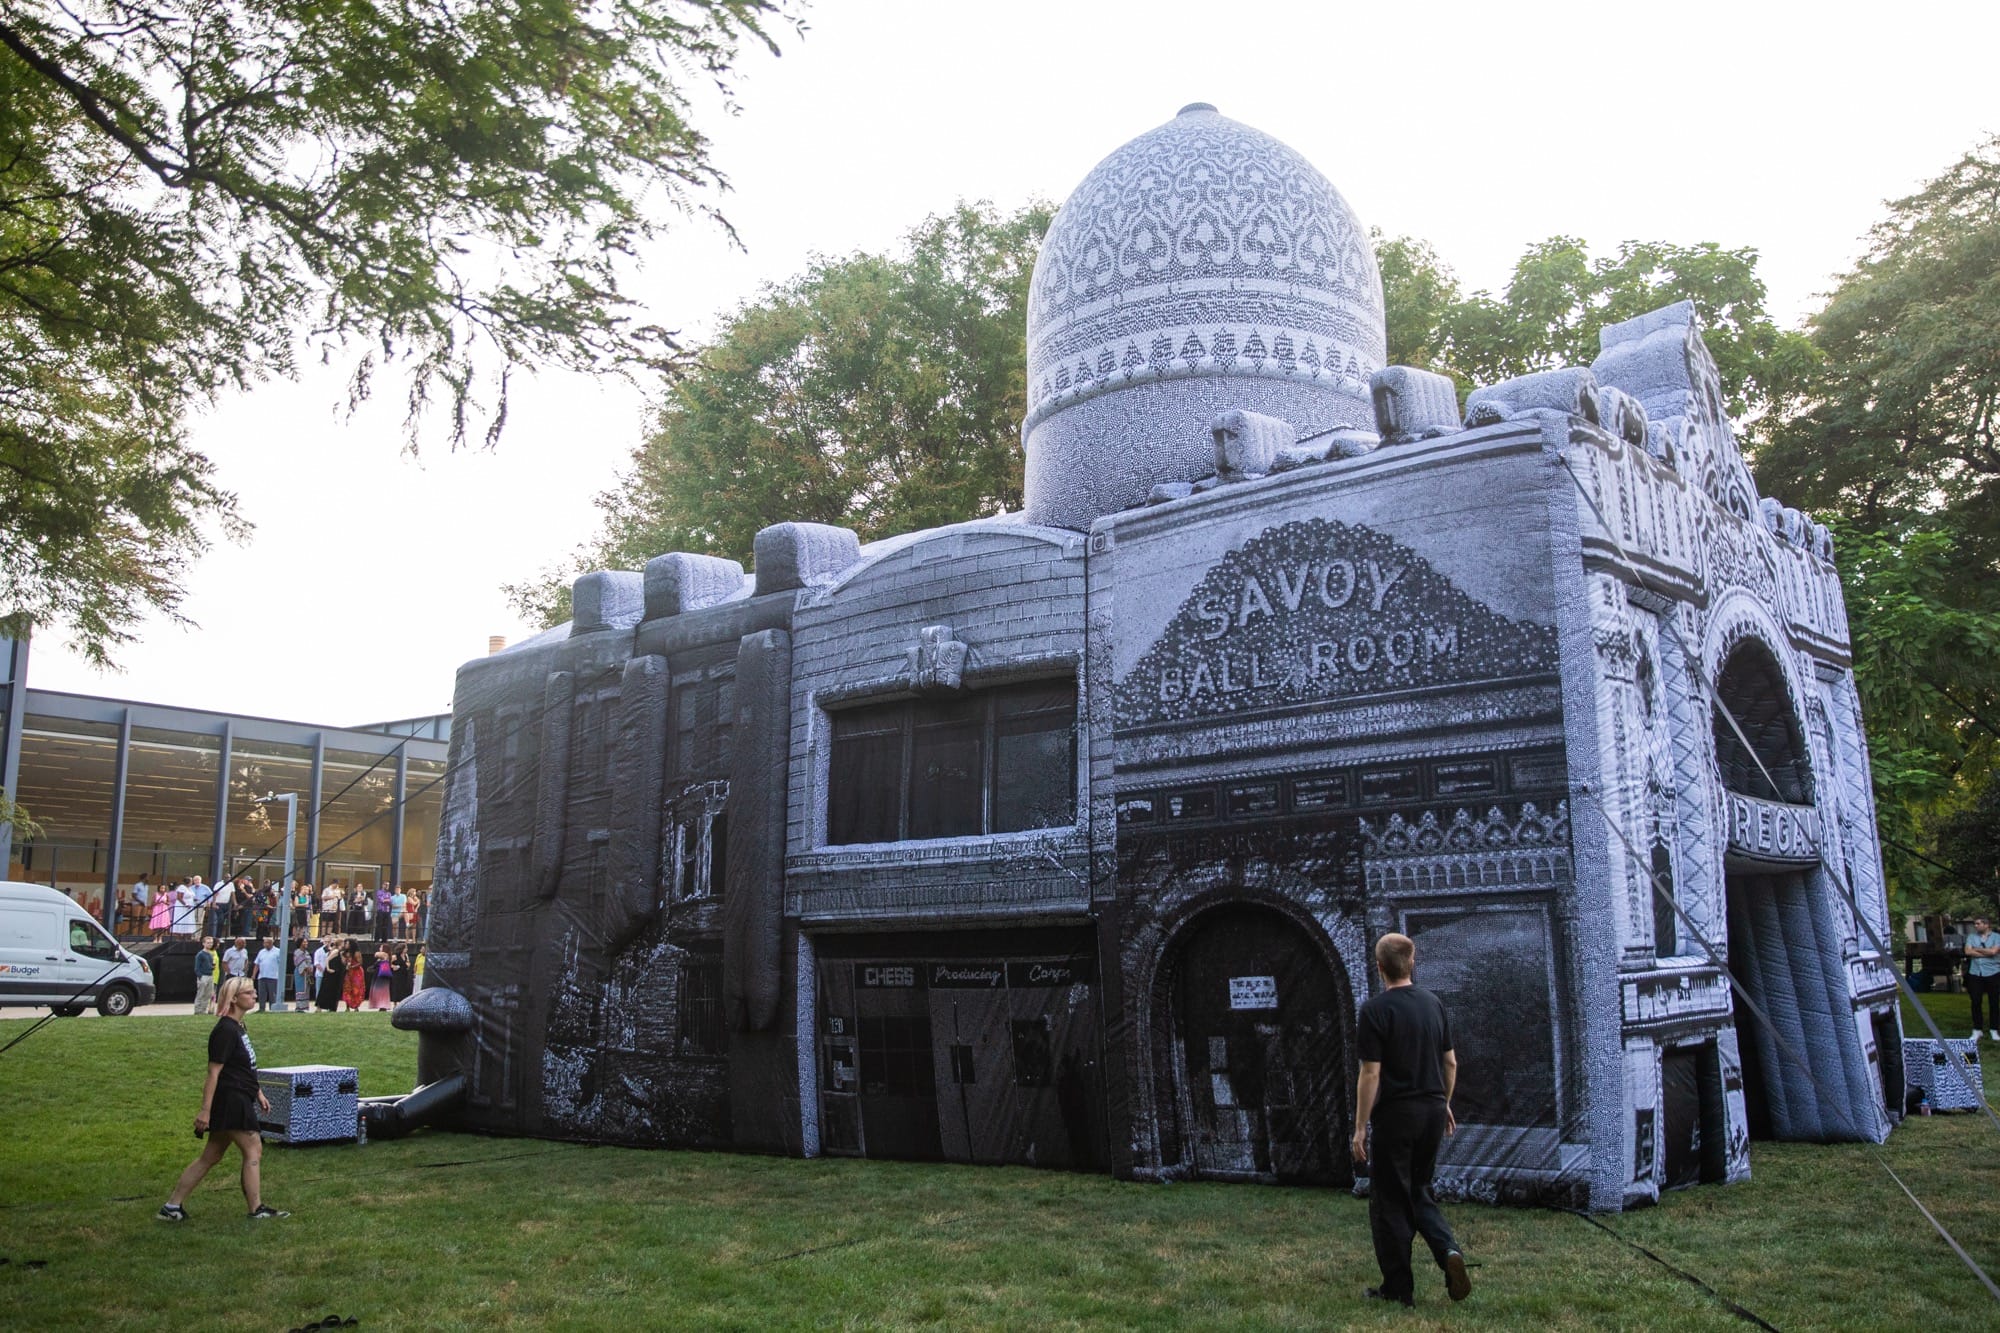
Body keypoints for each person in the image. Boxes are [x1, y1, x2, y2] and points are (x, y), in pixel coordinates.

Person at [1351, 932, 1470, 1308]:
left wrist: (1359, 1128)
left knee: (1389, 1200)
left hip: (1396, 1116)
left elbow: (1371, 1074)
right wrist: (1442, 1102)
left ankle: (1398, 1288)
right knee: (1419, 1190)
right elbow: (1450, 1063)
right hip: (1433, 1110)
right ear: (1412, 962)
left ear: (1379, 966)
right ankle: (1448, 1250)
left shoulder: (1374, 1011)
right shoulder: (1433, 1004)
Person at [156, 977, 288, 1222]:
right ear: (234, 998)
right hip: (231, 1099)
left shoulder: (239, 1027)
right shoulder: (225, 1030)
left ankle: (171, 1206)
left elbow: (244, 1066)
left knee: (211, 1156)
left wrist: (258, 1092)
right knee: (253, 1149)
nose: (255, 996)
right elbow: (214, 1073)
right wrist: (205, 1111)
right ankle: (256, 1208)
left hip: (241, 1094)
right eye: (249, 993)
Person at [1966, 916, 1999, 1041]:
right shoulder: (1971, 937)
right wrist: (1987, 951)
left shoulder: (1997, 937)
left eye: (1978, 923)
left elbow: (1993, 952)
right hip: (1975, 973)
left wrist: (1977, 949)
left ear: (1986, 925)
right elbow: (1968, 952)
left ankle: (1994, 1029)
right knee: (1975, 1001)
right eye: (1975, 924)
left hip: (1993, 973)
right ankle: (1977, 1029)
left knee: (1994, 1002)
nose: (1975, 926)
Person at [252, 937, 282, 1008]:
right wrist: (254, 975)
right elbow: (257, 964)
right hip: (262, 976)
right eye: (264, 943)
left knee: (272, 995)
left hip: (273, 977)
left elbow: (281, 964)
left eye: (266, 943)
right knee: (261, 994)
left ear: (271, 943)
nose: (264, 944)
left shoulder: (278, 951)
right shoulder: (261, 952)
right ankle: (261, 1008)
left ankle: (272, 1008)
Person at [192, 936, 219, 1016]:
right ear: (203, 943)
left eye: (211, 943)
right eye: (208, 943)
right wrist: (200, 976)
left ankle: (203, 1010)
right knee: (201, 994)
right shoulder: (200, 954)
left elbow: (210, 965)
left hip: (210, 975)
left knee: (208, 994)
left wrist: (212, 968)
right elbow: (197, 967)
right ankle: (198, 1010)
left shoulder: (210, 954)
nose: (210, 944)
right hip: (203, 976)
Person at [315, 945, 344, 1013]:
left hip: (336, 975)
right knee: (325, 989)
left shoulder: (341, 953)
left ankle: (331, 1007)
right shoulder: (336, 951)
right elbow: (328, 959)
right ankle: (320, 1006)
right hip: (330, 973)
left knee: (333, 991)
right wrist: (328, 968)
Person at [341, 945, 367, 1012]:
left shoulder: (356, 953)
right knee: (347, 988)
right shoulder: (344, 953)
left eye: (347, 943)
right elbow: (343, 962)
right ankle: (347, 1006)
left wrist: (352, 966)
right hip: (348, 972)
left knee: (357, 989)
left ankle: (356, 1006)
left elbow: (360, 963)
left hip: (356, 973)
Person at [292, 937, 313, 1009]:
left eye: (306, 942)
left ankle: (305, 1006)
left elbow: (310, 962)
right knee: (300, 989)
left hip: (307, 974)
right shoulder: (297, 952)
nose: (306, 943)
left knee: (306, 990)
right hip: (300, 973)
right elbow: (300, 963)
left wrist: (310, 968)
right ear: (300, 943)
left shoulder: (306, 953)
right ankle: (300, 1007)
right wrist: (306, 968)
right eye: (304, 942)